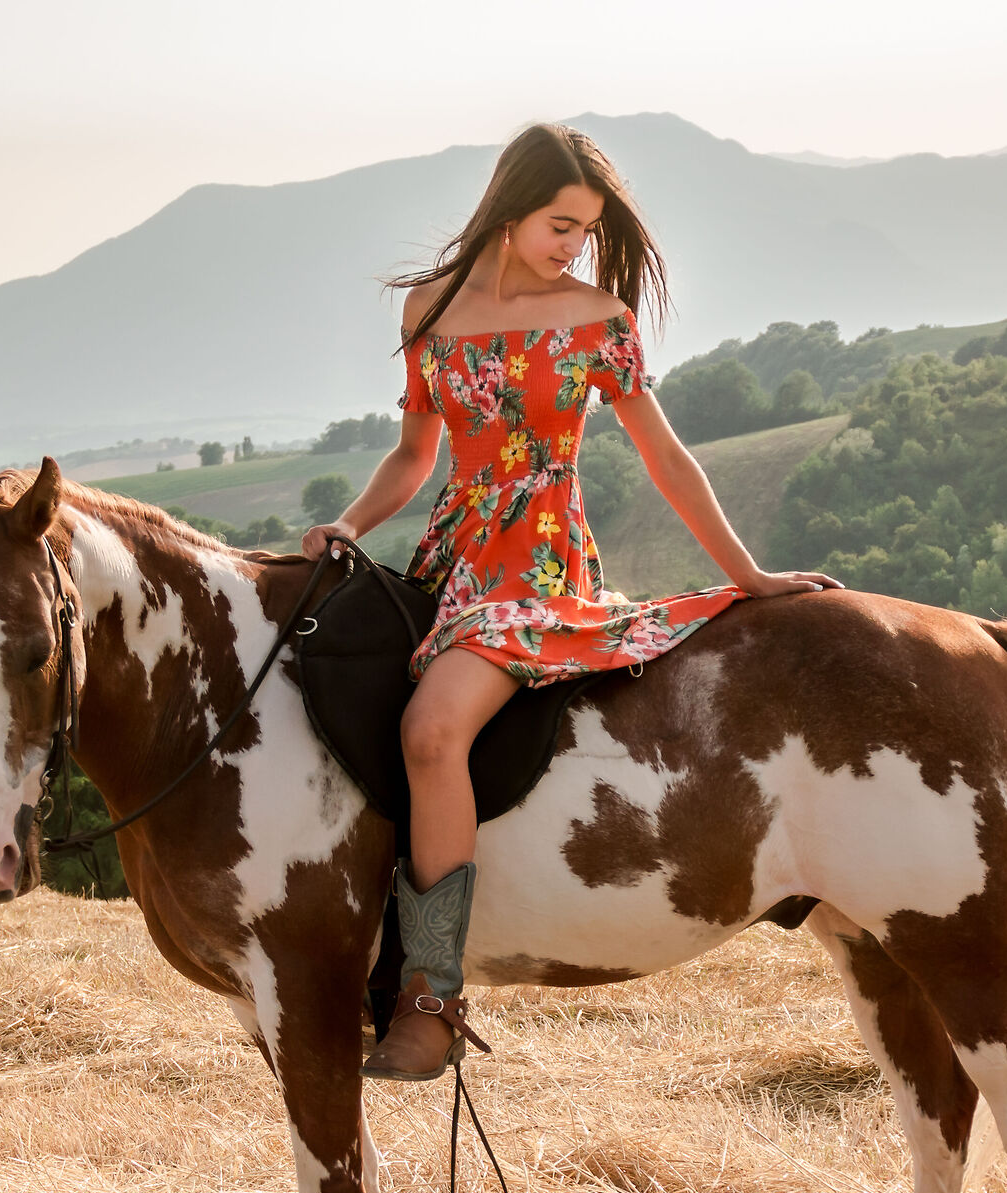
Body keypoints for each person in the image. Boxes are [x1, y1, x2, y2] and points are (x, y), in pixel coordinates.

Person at [302, 123, 838, 1082]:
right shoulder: (430, 310)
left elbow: (666, 459)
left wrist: (751, 576)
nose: (573, 246)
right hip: (448, 568)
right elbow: (415, 457)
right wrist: (347, 522)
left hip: (541, 570)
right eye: (560, 225)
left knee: (431, 733)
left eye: (585, 231)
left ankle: (432, 995)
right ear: (509, 211)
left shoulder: (599, 318)